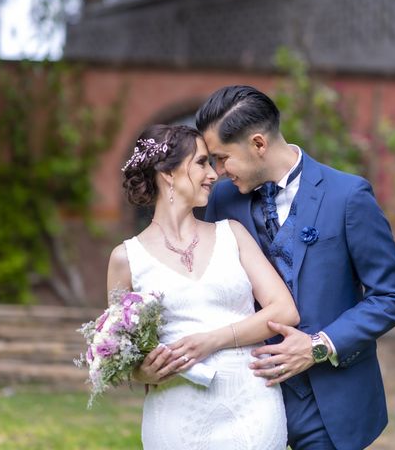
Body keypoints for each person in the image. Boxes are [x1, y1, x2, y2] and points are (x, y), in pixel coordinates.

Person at [195, 85, 395, 450]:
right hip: (245, 397)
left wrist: (318, 346)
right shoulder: (222, 199)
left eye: (222, 158)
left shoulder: (348, 196)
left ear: (259, 144)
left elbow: (393, 296)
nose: (217, 172)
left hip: (327, 403)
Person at [106, 123, 299, 449]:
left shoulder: (233, 234)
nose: (213, 174)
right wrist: (143, 373)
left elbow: (285, 310)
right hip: (176, 414)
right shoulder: (126, 258)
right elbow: (119, 354)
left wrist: (212, 341)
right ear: (167, 173)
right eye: (201, 163)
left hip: (251, 405)